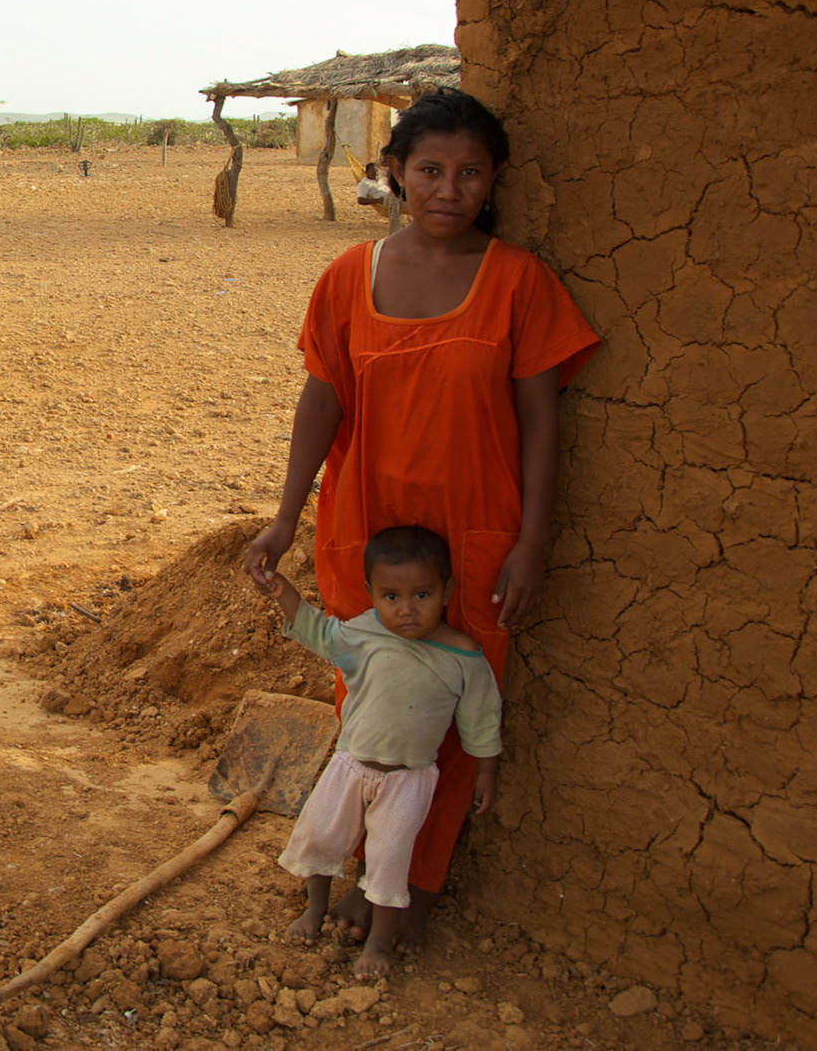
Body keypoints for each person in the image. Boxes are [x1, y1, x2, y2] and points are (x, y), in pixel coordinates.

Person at [243, 88, 598, 953]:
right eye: (431, 169)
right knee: (370, 706)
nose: (450, 188)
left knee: (452, 719)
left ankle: (410, 890)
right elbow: (321, 401)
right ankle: (359, 871)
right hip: (365, 530)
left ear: (492, 180)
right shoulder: (345, 280)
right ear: (394, 171)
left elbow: (543, 417)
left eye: (471, 172)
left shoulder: (518, 281)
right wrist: (286, 518)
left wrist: (532, 540)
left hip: (475, 533)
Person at [261, 525, 500, 978]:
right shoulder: (363, 634)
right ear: (371, 593)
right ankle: (314, 910)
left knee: (389, 861)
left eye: (422, 595)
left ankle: (378, 942)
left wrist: (486, 773)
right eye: (391, 597)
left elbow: (482, 720)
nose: (406, 610)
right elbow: (317, 630)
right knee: (322, 838)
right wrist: (281, 590)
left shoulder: (463, 656)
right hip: (349, 765)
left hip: (407, 779)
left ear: (447, 590)